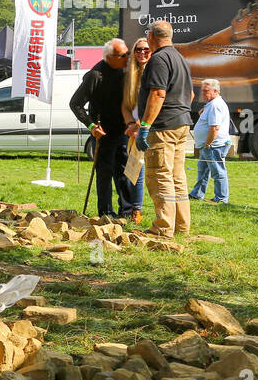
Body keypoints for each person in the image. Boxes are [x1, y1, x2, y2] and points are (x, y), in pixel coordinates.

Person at [134, 20, 194, 237]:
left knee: (159, 175)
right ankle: (181, 226)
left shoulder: (158, 59)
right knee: (177, 177)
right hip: (181, 123)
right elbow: (191, 94)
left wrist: (145, 126)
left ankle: (163, 228)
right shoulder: (180, 59)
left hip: (163, 127)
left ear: (151, 36)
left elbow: (158, 93)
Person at [69, 39, 139, 218]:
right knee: (105, 173)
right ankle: (106, 213)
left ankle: (127, 211)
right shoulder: (95, 75)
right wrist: (91, 126)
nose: (127, 58)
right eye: (123, 55)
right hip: (103, 132)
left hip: (123, 129)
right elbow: (75, 103)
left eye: (127, 54)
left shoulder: (126, 70)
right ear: (109, 57)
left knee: (124, 171)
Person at [121, 37, 151, 222]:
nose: (142, 52)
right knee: (134, 171)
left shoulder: (154, 70)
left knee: (149, 173)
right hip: (133, 129)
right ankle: (136, 210)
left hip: (148, 127)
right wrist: (130, 124)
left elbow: (154, 102)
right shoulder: (130, 74)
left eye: (146, 49)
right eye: (138, 49)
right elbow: (125, 105)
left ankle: (141, 210)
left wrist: (140, 125)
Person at [189, 78, 230, 204]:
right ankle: (197, 194)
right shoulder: (212, 104)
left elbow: (215, 127)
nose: (203, 94)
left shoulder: (215, 105)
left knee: (218, 172)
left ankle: (221, 199)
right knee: (203, 171)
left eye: (206, 91)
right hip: (209, 145)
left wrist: (207, 144)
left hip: (214, 146)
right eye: (202, 91)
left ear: (215, 91)